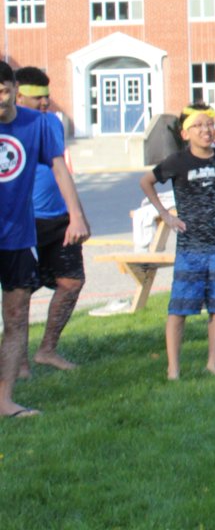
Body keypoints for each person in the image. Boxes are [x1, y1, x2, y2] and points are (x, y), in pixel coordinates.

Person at [1, 61, 90, 418]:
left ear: (13, 89)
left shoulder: (36, 124)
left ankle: (5, 400)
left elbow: (58, 167)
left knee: (17, 316)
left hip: (17, 236)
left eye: (4, 90)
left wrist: (77, 214)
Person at [139, 103, 215, 379]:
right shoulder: (178, 162)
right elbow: (146, 181)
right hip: (190, 247)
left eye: (209, 124)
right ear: (186, 133)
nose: (206, 131)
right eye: (198, 126)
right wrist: (166, 215)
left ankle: (213, 363)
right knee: (179, 309)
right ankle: (173, 368)